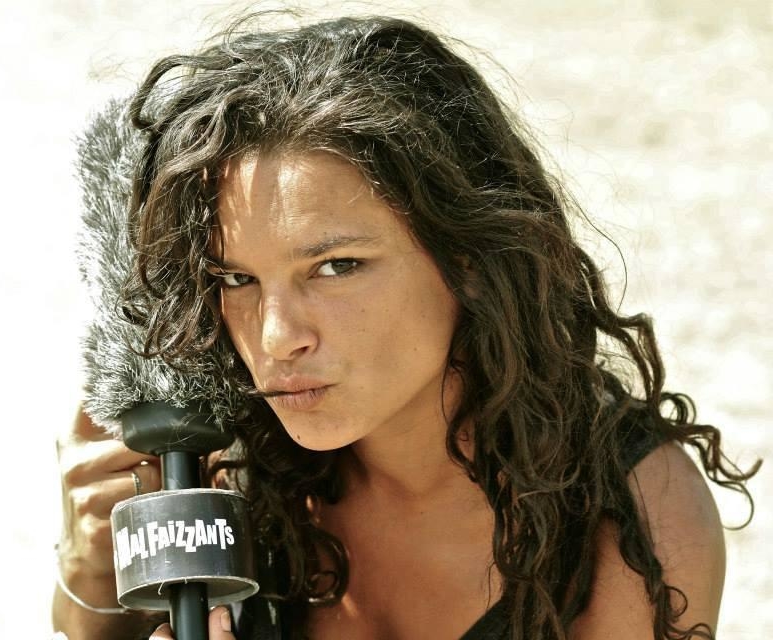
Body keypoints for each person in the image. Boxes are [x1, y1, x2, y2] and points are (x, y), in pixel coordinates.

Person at [52, 14, 759, 640]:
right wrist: (89, 571)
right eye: (237, 279)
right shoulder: (218, 463)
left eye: (336, 267)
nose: (276, 339)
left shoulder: (623, 510)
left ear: (470, 257)